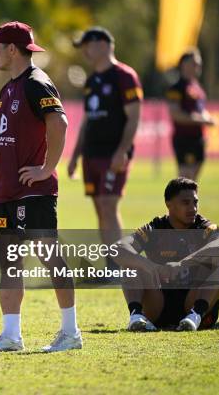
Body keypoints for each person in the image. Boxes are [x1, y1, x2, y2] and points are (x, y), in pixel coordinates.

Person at [0, 21, 82, 353]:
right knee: (8, 262)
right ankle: (11, 336)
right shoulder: (9, 88)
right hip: (6, 191)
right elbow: (2, 141)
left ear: (11, 49)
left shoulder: (37, 84)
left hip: (33, 191)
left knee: (50, 258)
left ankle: (71, 333)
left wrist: (47, 168)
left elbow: (60, 123)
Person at [68, 27, 142, 270]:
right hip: (92, 154)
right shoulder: (91, 81)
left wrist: (122, 150)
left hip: (113, 155)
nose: (85, 52)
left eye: (87, 45)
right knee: (100, 208)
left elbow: (133, 117)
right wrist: (75, 156)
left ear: (102, 44)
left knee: (109, 205)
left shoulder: (124, 76)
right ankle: (111, 264)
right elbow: (87, 121)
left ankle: (119, 265)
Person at [116, 178, 219, 331]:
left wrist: (182, 264)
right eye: (185, 203)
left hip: (193, 303)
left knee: (215, 259)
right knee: (131, 261)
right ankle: (136, 317)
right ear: (168, 204)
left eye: (195, 202)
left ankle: (195, 316)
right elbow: (119, 248)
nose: (193, 208)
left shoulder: (203, 226)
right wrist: (152, 267)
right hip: (158, 306)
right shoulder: (155, 228)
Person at [166, 49, 217, 181]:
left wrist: (208, 118)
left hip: (199, 138)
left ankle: (189, 202)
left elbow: (200, 110)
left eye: (199, 63)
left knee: (193, 180)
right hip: (184, 138)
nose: (198, 66)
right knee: (185, 178)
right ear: (184, 65)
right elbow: (176, 114)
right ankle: (179, 202)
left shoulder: (197, 87)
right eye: (194, 63)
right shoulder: (177, 88)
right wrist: (202, 120)